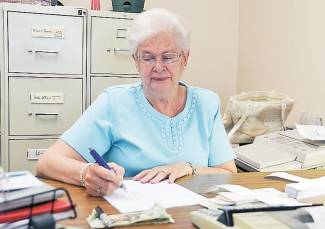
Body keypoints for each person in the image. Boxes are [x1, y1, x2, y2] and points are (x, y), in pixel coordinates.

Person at [36, 8, 237, 197]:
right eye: (148, 58)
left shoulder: (207, 103)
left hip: (192, 215)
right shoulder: (114, 102)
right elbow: (47, 162)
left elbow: (228, 172)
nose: (158, 67)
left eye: (168, 57)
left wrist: (187, 168)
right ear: (135, 61)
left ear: (185, 59)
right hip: (130, 214)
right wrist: (86, 172)